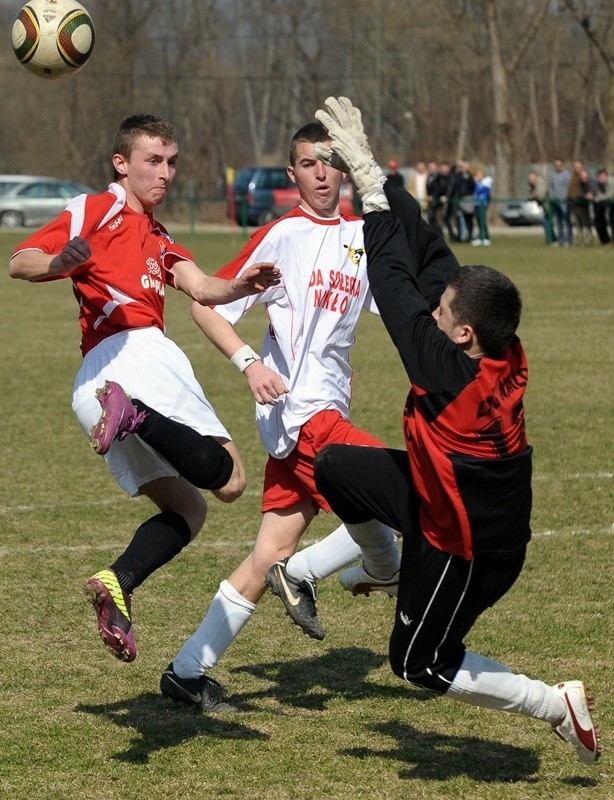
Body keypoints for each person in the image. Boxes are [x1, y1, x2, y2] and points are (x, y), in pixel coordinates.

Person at [310, 97, 601, 766]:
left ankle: (556, 705)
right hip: (437, 496)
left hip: (469, 550)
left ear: (461, 333)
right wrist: (373, 174)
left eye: (442, 309)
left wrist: (369, 193)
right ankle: (386, 569)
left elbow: (388, 276)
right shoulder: (490, 343)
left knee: (416, 664)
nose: (433, 304)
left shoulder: (449, 370)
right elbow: (430, 250)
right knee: (335, 469)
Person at [159, 114, 422, 711]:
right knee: (412, 490)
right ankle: (331, 574)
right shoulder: (283, 235)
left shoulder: (362, 237)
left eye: (330, 161)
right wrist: (251, 363)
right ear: (293, 173)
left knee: (266, 554)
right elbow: (208, 307)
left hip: (315, 415)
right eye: (309, 163)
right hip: (302, 415)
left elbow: (402, 306)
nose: (322, 173)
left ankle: (185, 670)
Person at [8, 114, 280, 671]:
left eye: (172, 161)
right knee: (231, 479)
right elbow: (20, 261)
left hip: (94, 389)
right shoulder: (95, 207)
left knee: (189, 507)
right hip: (133, 356)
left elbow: (202, 287)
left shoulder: (159, 237)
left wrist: (242, 284)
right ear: (121, 163)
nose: (166, 173)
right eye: (153, 161)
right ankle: (137, 415)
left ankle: (120, 581)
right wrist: (59, 263)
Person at [549, 157, 572, 246]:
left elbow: (569, 187)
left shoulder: (566, 174)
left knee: (566, 221)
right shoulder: (553, 175)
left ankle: (568, 240)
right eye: (556, 165)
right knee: (558, 222)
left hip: (564, 202)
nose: (558, 167)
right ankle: (560, 240)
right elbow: (551, 187)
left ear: (563, 165)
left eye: (559, 165)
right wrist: (552, 198)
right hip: (556, 201)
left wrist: (567, 198)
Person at [527, 169, 554, 245]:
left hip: (549, 205)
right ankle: (550, 239)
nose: (530, 180)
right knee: (546, 222)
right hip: (544, 207)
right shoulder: (532, 185)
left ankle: (552, 239)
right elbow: (530, 195)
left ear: (536, 176)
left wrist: (534, 195)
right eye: (529, 179)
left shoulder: (540, 183)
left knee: (549, 222)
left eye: (532, 178)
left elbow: (540, 196)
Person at [471, 167, 492, 246]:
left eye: (479, 174)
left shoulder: (486, 182)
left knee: (483, 220)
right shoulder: (476, 183)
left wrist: (477, 182)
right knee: (478, 221)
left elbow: (482, 191)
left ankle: (485, 238)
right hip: (476, 203)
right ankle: (480, 237)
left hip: (483, 203)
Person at [593, 167, 614, 246]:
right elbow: (597, 194)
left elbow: (610, 195)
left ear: (606, 176)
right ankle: (606, 241)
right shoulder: (598, 184)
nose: (601, 178)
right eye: (599, 176)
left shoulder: (612, 181)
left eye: (603, 176)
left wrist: (600, 198)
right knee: (599, 220)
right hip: (609, 204)